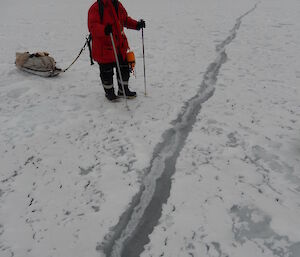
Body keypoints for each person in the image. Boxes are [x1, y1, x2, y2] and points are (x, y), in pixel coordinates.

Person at [88, 0, 146, 101]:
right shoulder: (96, 7)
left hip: (120, 46)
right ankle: (109, 93)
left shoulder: (118, 4)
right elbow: (92, 26)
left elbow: (124, 20)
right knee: (107, 72)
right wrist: (104, 29)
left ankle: (123, 90)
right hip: (104, 47)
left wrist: (136, 25)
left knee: (124, 68)